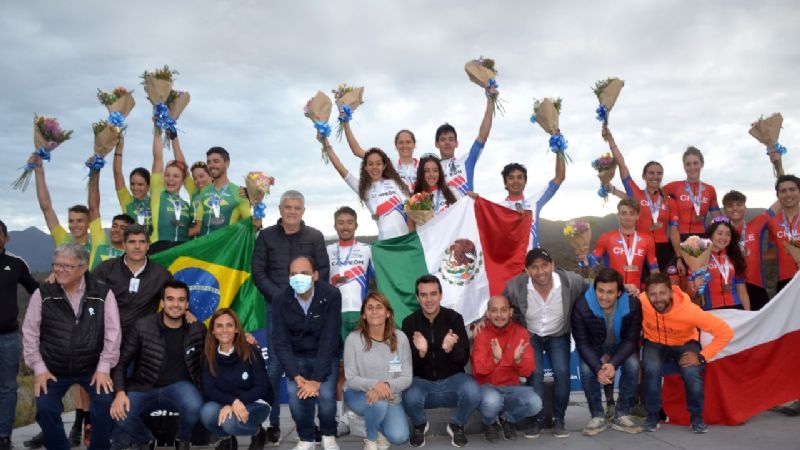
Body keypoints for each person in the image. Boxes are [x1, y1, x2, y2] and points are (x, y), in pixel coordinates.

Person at [22, 243, 121, 450]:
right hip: (53, 369)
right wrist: (39, 369)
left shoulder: (102, 293)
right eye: (57, 265)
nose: (59, 270)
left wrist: (104, 368)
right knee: (45, 409)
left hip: (92, 368)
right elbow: (30, 333)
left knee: (104, 404)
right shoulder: (44, 293)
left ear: (83, 268)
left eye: (67, 266)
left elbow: (113, 333)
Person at [252, 190, 329, 446]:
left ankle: (309, 424)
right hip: (278, 309)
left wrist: (307, 296)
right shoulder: (266, 236)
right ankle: (271, 423)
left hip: (310, 310)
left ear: (303, 211)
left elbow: (323, 271)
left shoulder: (315, 237)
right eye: (288, 207)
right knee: (275, 367)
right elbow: (258, 272)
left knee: (308, 364)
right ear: (281, 209)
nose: (292, 211)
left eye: (297, 207)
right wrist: (282, 298)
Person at [503, 248, 588, 439]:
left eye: (544, 265)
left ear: (553, 265)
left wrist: (625, 289)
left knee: (562, 373)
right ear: (526, 270)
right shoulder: (516, 286)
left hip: (559, 333)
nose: (540, 271)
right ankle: (537, 420)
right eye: (534, 267)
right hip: (531, 334)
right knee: (535, 373)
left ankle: (559, 419)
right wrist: (482, 320)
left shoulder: (570, 281)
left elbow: (595, 288)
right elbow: (499, 304)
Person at [111, 280, 206, 450]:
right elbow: (121, 361)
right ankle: (145, 439)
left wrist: (247, 339)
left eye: (180, 300)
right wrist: (120, 392)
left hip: (180, 387)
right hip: (144, 386)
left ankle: (182, 438)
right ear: (162, 302)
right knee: (121, 415)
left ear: (187, 304)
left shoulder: (197, 329)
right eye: (170, 299)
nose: (175, 304)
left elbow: (220, 345)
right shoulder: (143, 326)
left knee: (195, 407)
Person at [639, 273, 734, 433]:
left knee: (691, 371)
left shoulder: (689, 311)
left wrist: (702, 357)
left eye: (662, 293)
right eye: (652, 294)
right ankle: (652, 415)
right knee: (651, 367)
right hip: (654, 342)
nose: (658, 298)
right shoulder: (641, 301)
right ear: (646, 294)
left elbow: (725, 331)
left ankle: (696, 417)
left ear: (670, 292)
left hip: (684, 343)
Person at [271, 256, 342, 450]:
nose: (298, 277)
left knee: (326, 395)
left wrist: (317, 380)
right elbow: (280, 340)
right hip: (296, 356)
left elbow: (330, 338)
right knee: (295, 394)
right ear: (288, 277)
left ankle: (328, 434)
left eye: (304, 273)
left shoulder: (332, 295)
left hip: (325, 353)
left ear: (315, 275)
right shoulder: (280, 299)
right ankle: (306, 438)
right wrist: (296, 375)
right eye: (293, 274)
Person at [401, 275, 481, 448]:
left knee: (473, 390)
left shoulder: (454, 318)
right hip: (422, 383)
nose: (429, 300)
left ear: (441, 295)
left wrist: (449, 350)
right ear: (417, 297)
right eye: (423, 295)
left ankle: (457, 424)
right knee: (407, 394)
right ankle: (420, 424)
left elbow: (463, 358)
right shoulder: (409, 322)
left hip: (452, 381)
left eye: (433, 294)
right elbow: (406, 366)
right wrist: (421, 353)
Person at [571, 268, 642, 436]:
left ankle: (622, 414)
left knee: (632, 364)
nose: (604, 296)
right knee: (587, 368)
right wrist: (598, 368)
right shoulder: (582, 305)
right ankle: (597, 416)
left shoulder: (633, 304)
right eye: (600, 291)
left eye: (610, 292)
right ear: (595, 288)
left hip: (621, 343)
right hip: (594, 345)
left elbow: (631, 340)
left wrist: (613, 364)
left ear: (619, 292)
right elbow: (582, 343)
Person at [343, 292, 412, 450]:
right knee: (378, 404)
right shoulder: (353, 339)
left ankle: (369, 420)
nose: (374, 311)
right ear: (364, 315)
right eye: (370, 308)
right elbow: (351, 378)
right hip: (357, 394)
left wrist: (384, 386)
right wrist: (375, 385)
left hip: (391, 395)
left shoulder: (400, 338)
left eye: (379, 307)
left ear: (388, 313)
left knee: (399, 436)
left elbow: (407, 378)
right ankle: (371, 440)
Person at [605, 127, 678, 273]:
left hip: (664, 248)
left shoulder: (669, 201)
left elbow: (674, 231)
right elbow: (622, 165)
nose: (655, 176)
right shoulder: (636, 194)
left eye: (659, 174)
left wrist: (679, 256)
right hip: (641, 246)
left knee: (667, 289)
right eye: (651, 173)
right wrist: (611, 141)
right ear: (644, 176)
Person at [471, 295, 540, 443]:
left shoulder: (521, 333)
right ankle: (489, 423)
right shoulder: (481, 333)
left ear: (510, 312)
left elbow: (528, 371)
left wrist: (518, 360)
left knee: (535, 403)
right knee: (492, 401)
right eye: (494, 311)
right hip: (487, 387)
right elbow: (478, 370)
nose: (499, 315)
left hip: (511, 386)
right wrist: (495, 360)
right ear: (488, 314)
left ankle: (507, 419)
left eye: (503, 310)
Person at [200, 309, 272, 450]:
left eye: (229, 325)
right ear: (213, 331)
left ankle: (258, 433)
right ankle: (227, 440)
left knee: (230, 423)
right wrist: (232, 402)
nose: (224, 330)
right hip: (230, 402)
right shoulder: (208, 355)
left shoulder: (250, 350)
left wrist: (235, 402)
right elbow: (209, 389)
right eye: (219, 326)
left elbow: (261, 387)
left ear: (237, 329)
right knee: (206, 413)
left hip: (256, 402)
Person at [92, 224, 174, 338]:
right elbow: (90, 299)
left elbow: (174, 299)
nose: (137, 246)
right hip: (107, 337)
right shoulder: (105, 269)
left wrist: (187, 312)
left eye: (142, 242)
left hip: (143, 340)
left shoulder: (161, 274)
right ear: (124, 245)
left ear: (148, 246)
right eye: (132, 242)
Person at [0, 220, 39, 450]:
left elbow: (35, 290)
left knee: (7, 388)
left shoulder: (15, 263)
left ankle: (4, 436)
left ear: (6, 237)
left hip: (8, 338)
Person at [324, 142, 411, 240]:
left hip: (406, 240)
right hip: (385, 244)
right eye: (370, 164)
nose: (374, 167)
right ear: (365, 167)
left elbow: (412, 211)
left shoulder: (396, 183)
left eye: (378, 164)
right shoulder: (364, 189)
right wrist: (326, 143)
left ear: (384, 166)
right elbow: (341, 169)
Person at [663, 147, 721, 275]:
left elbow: (718, 219)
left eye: (695, 163)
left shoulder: (710, 190)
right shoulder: (674, 187)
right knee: (676, 281)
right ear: (684, 166)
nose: (692, 167)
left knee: (698, 281)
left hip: (701, 240)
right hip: (677, 239)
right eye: (688, 164)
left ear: (702, 164)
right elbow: (651, 197)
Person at [721, 190, 778, 310]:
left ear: (745, 208)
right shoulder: (720, 233)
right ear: (724, 210)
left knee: (764, 324)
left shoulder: (756, 225)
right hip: (731, 288)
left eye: (739, 204)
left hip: (756, 285)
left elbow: (777, 205)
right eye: (730, 205)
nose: (735, 208)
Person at [435, 86, 497, 198]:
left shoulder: (466, 162)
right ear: (436, 144)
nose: (447, 143)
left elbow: (483, 136)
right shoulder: (430, 170)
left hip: (465, 214)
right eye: (443, 139)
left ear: (456, 143)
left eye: (451, 139)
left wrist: (490, 100)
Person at [587, 199, 659, 292]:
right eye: (624, 213)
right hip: (611, 293)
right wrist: (583, 257)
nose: (627, 217)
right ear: (618, 216)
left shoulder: (647, 239)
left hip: (635, 293)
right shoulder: (606, 237)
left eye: (631, 213)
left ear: (637, 216)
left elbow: (654, 271)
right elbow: (591, 268)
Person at [500, 155, 565, 249]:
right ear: (505, 183)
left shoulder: (535, 202)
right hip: (509, 261)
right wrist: (472, 199)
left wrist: (559, 149)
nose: (515, 181)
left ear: (525, 181)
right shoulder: (497, 208)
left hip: (533, 261)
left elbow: (560, 177)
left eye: (520, 177)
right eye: (511, 178)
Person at [149, 133, 200, 253]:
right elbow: (158, 160)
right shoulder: (158, 193)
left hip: (183, 250)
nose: (170, 179)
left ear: (183, 180)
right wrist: (157, 131)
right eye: (167, 175)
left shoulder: (187, 205)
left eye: (176, 176)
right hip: (159, 248)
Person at [690, 217, 750, 310]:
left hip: (735, 308)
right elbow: (690, 293)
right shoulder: (698, 256)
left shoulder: (735, 257)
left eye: (728, 234)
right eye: (719, 233)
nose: (724, 238)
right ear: (711, 235)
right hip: (710, 310)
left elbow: (742, 291)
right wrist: (695, 287)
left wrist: (747, 315)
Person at [33, 157, 91, 250]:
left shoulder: (98, 247)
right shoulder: (64, 241)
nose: (74, 225)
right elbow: (47, 208)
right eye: (71, 221)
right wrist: (38, 170)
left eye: (80, 221)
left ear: (89, 222)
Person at [343, 122, 419, 192]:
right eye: (401, 142)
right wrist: (346, 123)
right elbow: (357, 151)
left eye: (408, 142)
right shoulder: (389, 164)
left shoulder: (423, 166)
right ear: (396, 146)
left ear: (414, 144)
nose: (404, 145)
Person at [196, 146, 252, 236]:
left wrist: (255, 202)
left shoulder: (239, 192)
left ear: (227, 163)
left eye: (216, 161)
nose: (211, 165)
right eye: (209, 162)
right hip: (205, 248)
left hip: (227, 248)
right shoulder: (204, 191)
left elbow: (252, 226)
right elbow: (198, 224)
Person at [766, 174, 800, 294]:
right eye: (783, 191)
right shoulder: (772, 222)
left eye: (792, 189)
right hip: (785, 281)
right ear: (778, 195)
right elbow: (772, 252)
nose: (788, 194)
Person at [113, 135, 152, 232]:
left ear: (148, 186)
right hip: (133, 245)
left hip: (155, 246)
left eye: (140, 184)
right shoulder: (127, 200)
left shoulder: (156, 201)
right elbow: (117, 174)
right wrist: (119, 149)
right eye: (132, 184)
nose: (135, 188)